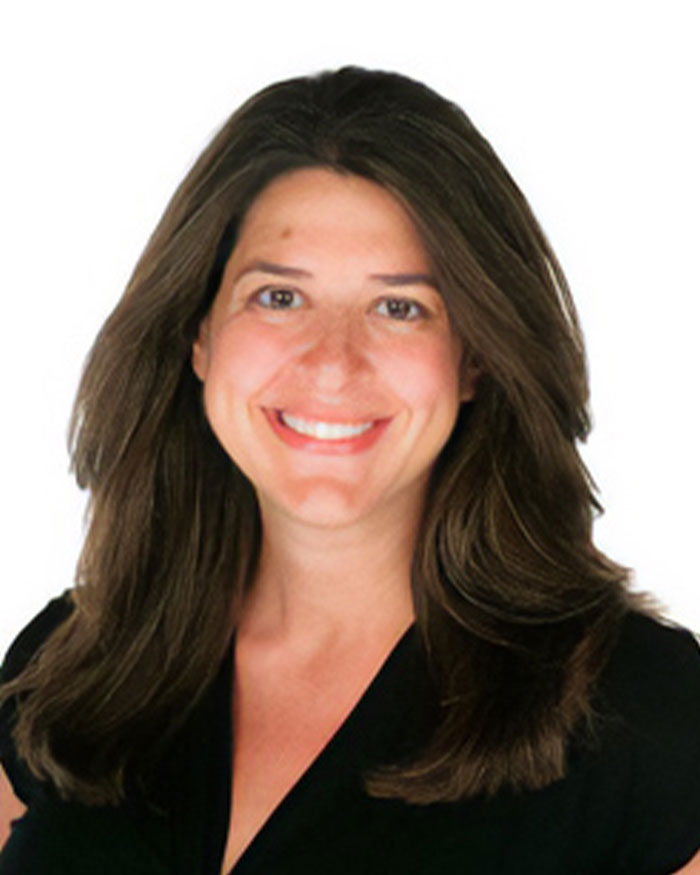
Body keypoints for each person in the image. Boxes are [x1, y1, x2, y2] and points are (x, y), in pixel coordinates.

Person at [1, 66, 699, 875]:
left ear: (474, 358)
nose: (332, 362)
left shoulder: (648, 717)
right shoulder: (72, 669)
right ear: (199, 334)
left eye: (400, 307)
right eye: (278, 298)